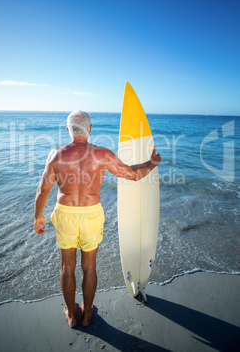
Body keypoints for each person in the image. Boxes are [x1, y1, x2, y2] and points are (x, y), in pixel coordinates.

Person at [34, 110, 161, 327]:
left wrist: (38, 216)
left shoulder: (55, 155)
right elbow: (131, 175)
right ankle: (87, 313)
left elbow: (43, 190)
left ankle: (72, 316)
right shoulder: (102, 155)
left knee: (67, 266)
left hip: (65, 214)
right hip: (91, 214)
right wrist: (151, 163)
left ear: (68, 130)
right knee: (89, 267)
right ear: (90, 129)